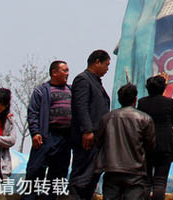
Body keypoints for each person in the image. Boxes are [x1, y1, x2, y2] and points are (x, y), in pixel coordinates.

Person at [95, 83, 155, 200]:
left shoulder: (106, 118)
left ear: (119, 99)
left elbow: (98, 142)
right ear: (135, 99)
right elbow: (150, 146)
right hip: (136, 171)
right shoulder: (145, 119)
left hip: (111, 169)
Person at [23, 60, 72, 200]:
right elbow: (33, 113)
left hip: (65, 138)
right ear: (54, 72)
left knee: (59, 172)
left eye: (68, 70)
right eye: (65, 70)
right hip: (46, 135)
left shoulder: (71, 90)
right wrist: (35, 132)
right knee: (36, 169)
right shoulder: (42, 91)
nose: (67, 73)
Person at [69, 49, 111, 200]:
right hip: (87, 137)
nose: (107, 68)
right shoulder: (83, 80)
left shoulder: (95, 81)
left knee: (92, 176)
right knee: (81, 177)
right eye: (106, 64)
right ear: (97, 62)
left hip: (97, 138)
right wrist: (87, 130)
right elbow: (81, 106)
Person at [137, 75, 173, 200]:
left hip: (146, 145)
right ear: (163, 88)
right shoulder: (168, 102)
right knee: (160, 181)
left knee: (146, 182)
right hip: (165, 145)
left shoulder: (142, 102)